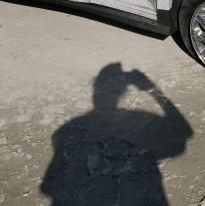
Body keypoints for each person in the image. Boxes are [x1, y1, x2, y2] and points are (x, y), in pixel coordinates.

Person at [40, 63, 193, 205]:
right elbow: (183, 134)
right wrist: (152, 90)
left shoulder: (68, 130)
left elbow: (50, 185)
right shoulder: (143, 119)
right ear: (123, 94)